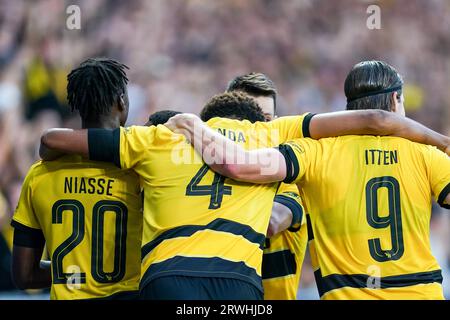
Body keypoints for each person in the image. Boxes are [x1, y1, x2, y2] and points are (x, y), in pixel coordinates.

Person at [40, 84, 448, 300]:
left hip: (168, 278)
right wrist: (439, 141)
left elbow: (58, 140)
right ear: (258, 120)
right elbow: (375, 119)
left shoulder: (163, 138)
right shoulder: (273, 137)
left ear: (209, 117)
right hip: (240, 284)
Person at [166, 61, 450, 299]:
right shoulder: (427, 155)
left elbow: (238, 165)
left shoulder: (313, 152)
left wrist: (192, 128)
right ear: (395, 100)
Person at [11, 58, 142, 300]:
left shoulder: (40, 174)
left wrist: (76, 269)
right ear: (122, 101)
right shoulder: (140, 171)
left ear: (76, 105)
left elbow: (24, 275)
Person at [224, 72, 307, 300]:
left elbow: (272, 222)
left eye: (266, 121)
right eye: (248, 120)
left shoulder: (291, 182)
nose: (258, 130)